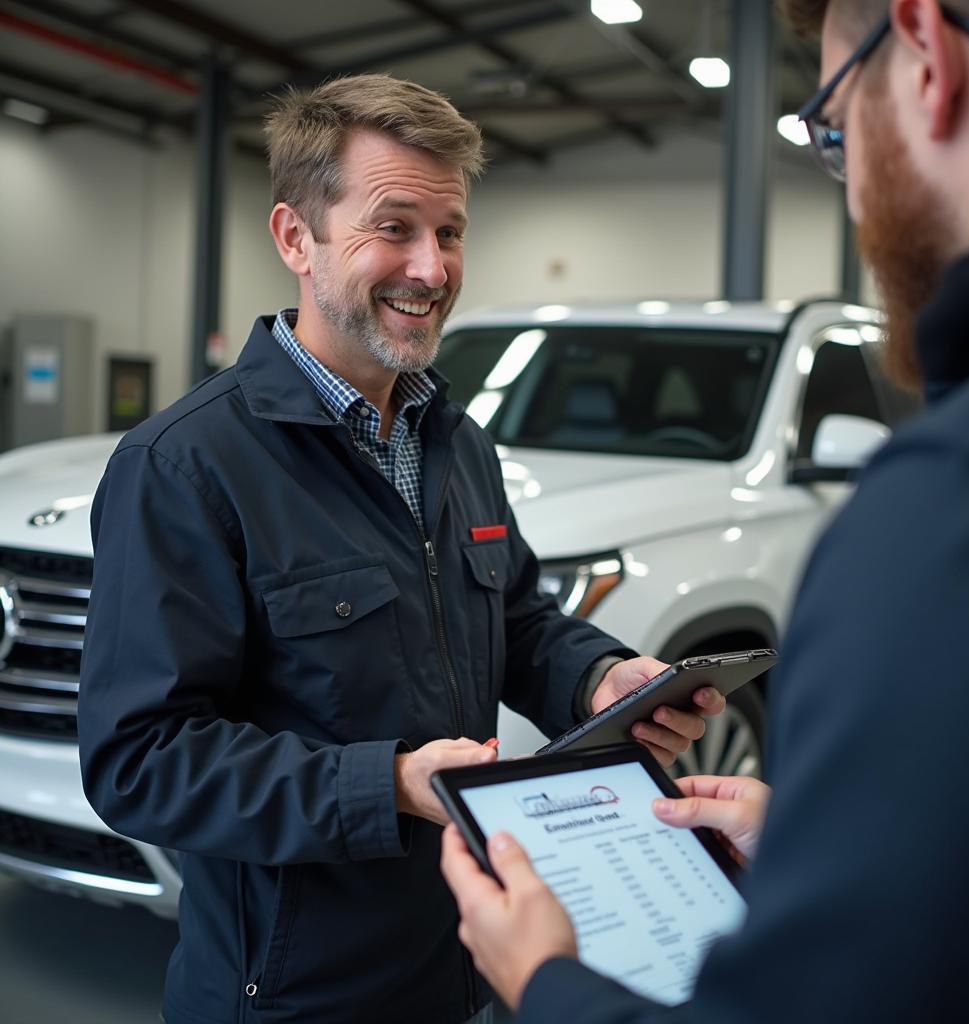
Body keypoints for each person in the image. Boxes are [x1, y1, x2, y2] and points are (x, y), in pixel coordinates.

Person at [75, 75, 721, 1024]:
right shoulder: (186, 466)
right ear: (297, 238)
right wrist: (385, 787)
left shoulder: (454, 440)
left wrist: (599, 680)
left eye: (450, 232)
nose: (431, 268)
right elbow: (140, 759)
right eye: (395, 227)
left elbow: (514, 616)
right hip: (300, 994)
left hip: (463, 958)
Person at [440, 1, 969, 1020]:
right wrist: (828, 838)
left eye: (834, 131)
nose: (847, 191)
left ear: (923, 51)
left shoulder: (951, 507)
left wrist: (546, 982)